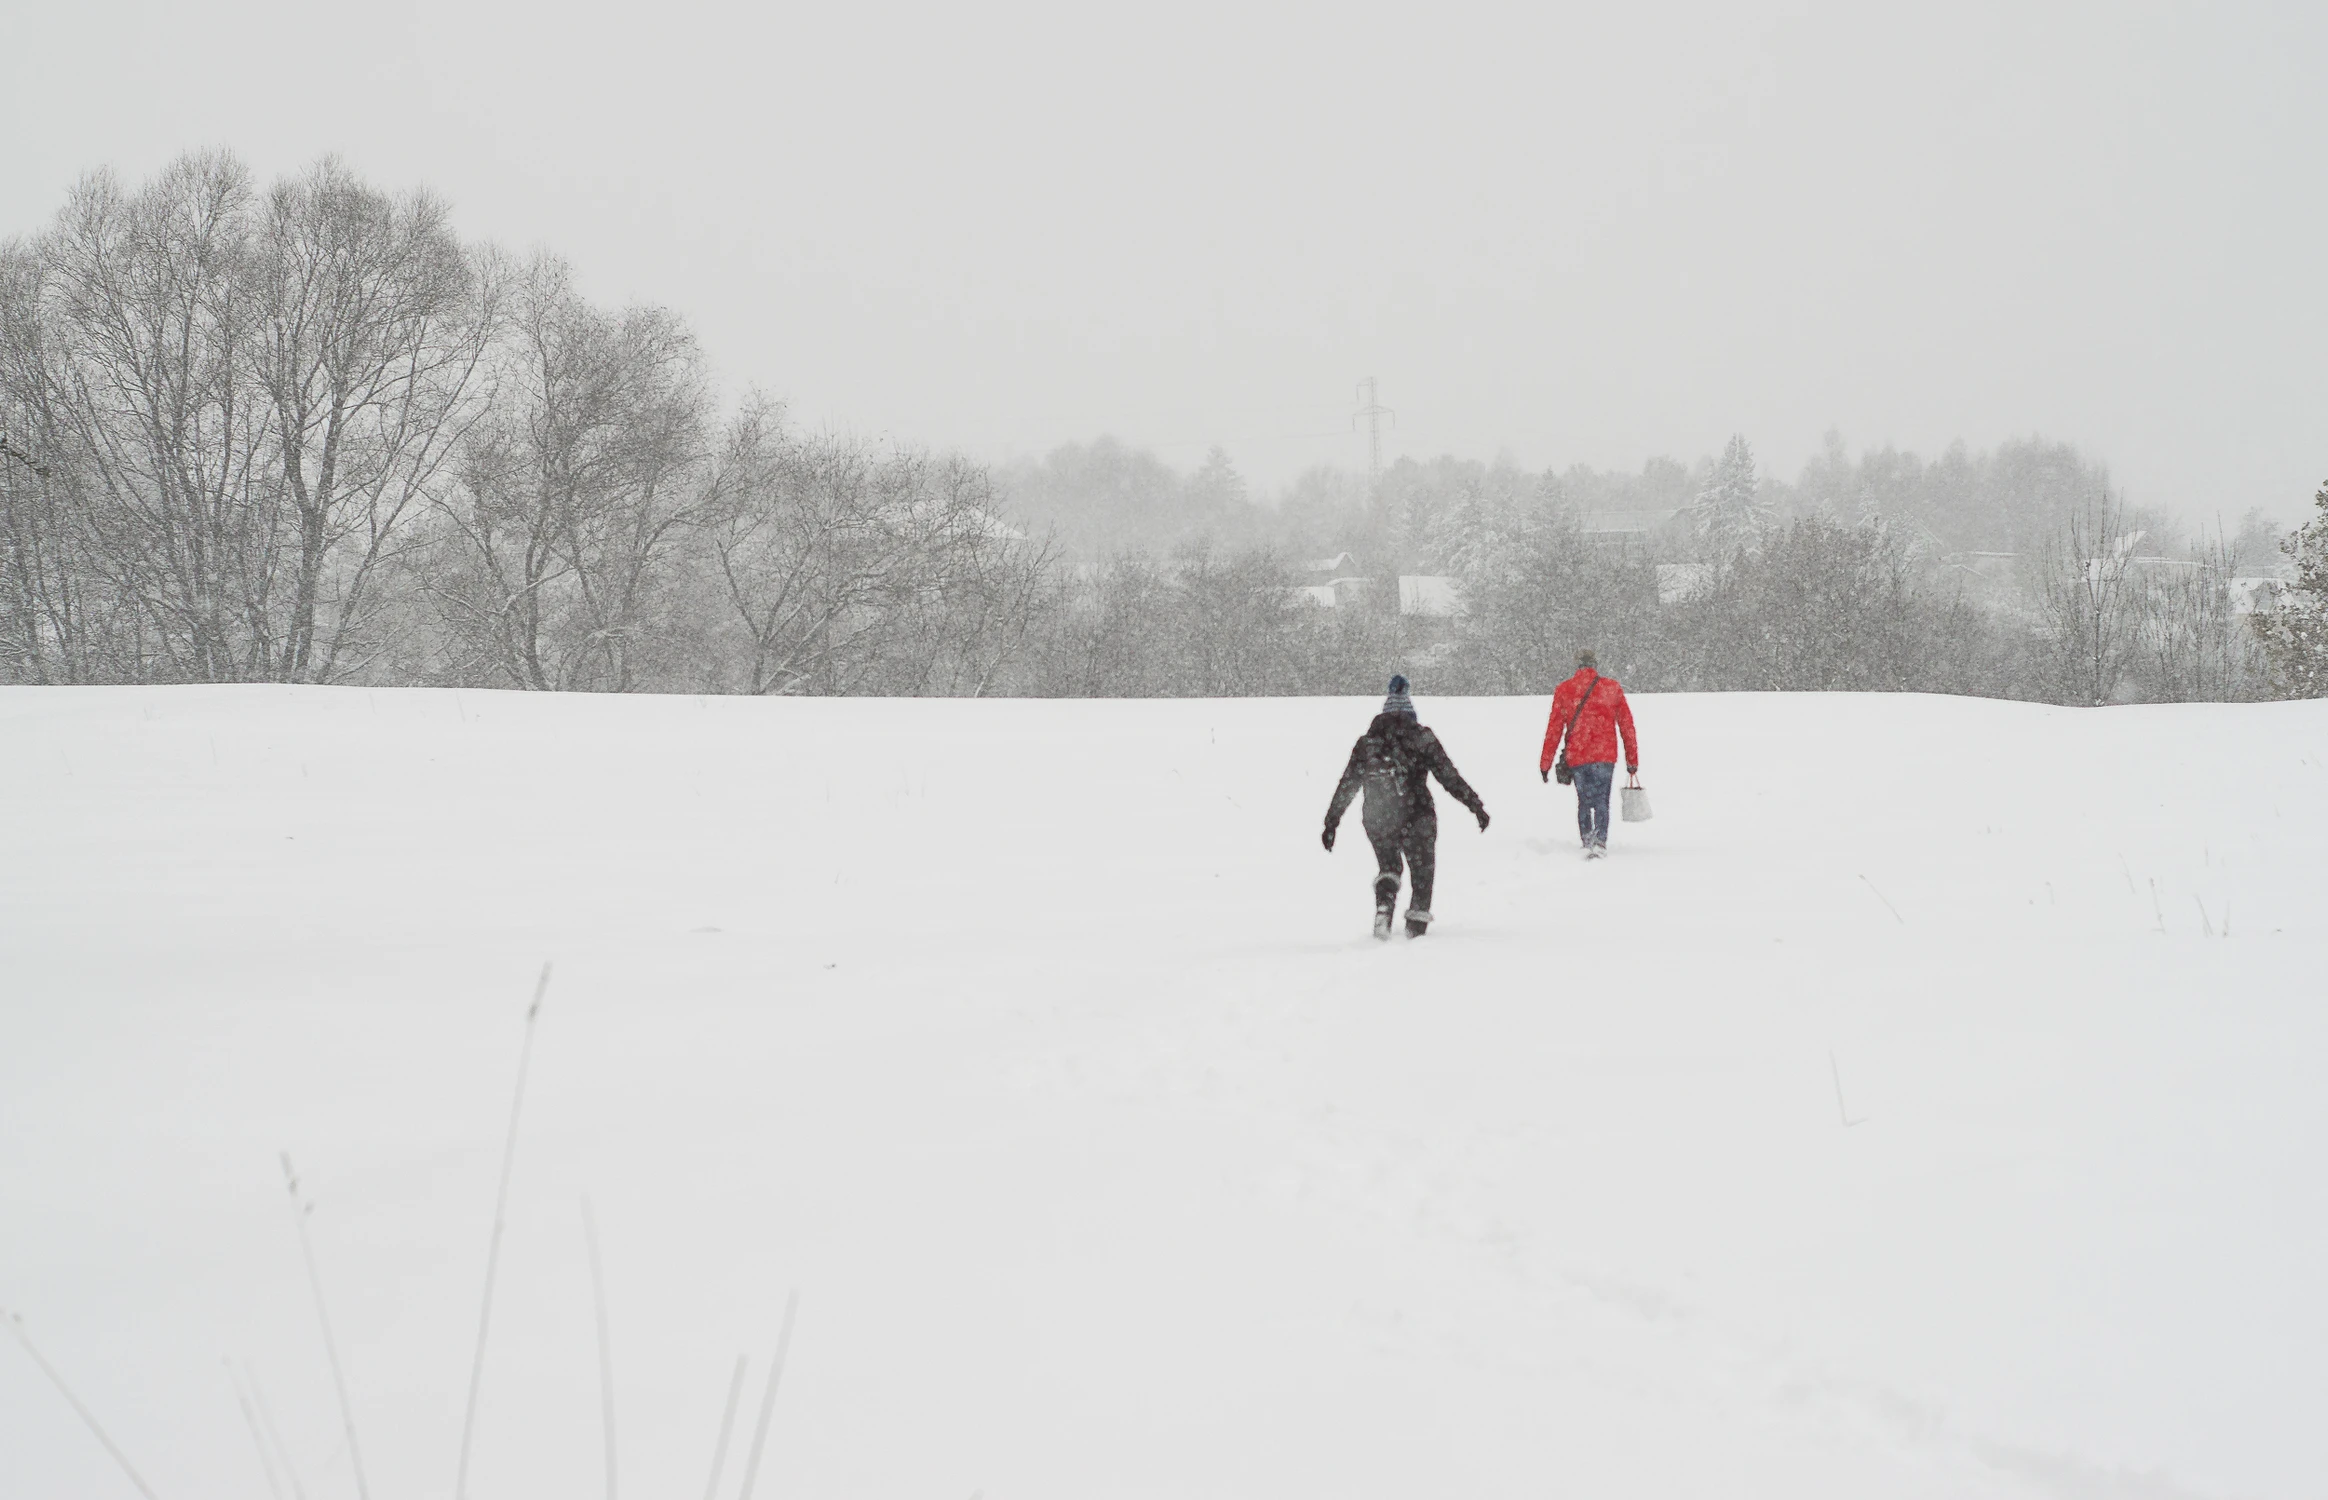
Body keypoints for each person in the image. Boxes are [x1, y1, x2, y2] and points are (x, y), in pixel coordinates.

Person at [1323, 675, 1489, 939]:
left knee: (1389, 866)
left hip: (1378, 815)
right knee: (1422, 870)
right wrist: (1475, 805)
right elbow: (1448, 776)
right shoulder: (1421, 737)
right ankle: (1416, 927)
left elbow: (1348, 784)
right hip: (1417, 812)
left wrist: (1332, 822)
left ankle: (1384, 906)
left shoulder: (1367, 743)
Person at [1538, 649, 1639, 859]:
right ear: (1595, 664)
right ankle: (1600, 841)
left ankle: (1587, 839)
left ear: (1577, 666)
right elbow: (1627, 727)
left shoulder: (1565, 690)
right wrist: (1632, 760)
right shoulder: (1611, 688)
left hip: (1578, 755)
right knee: (1602, 799)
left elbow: (1554, 730)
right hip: (1605, 755)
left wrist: (1545, 763)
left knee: (1584, 799)